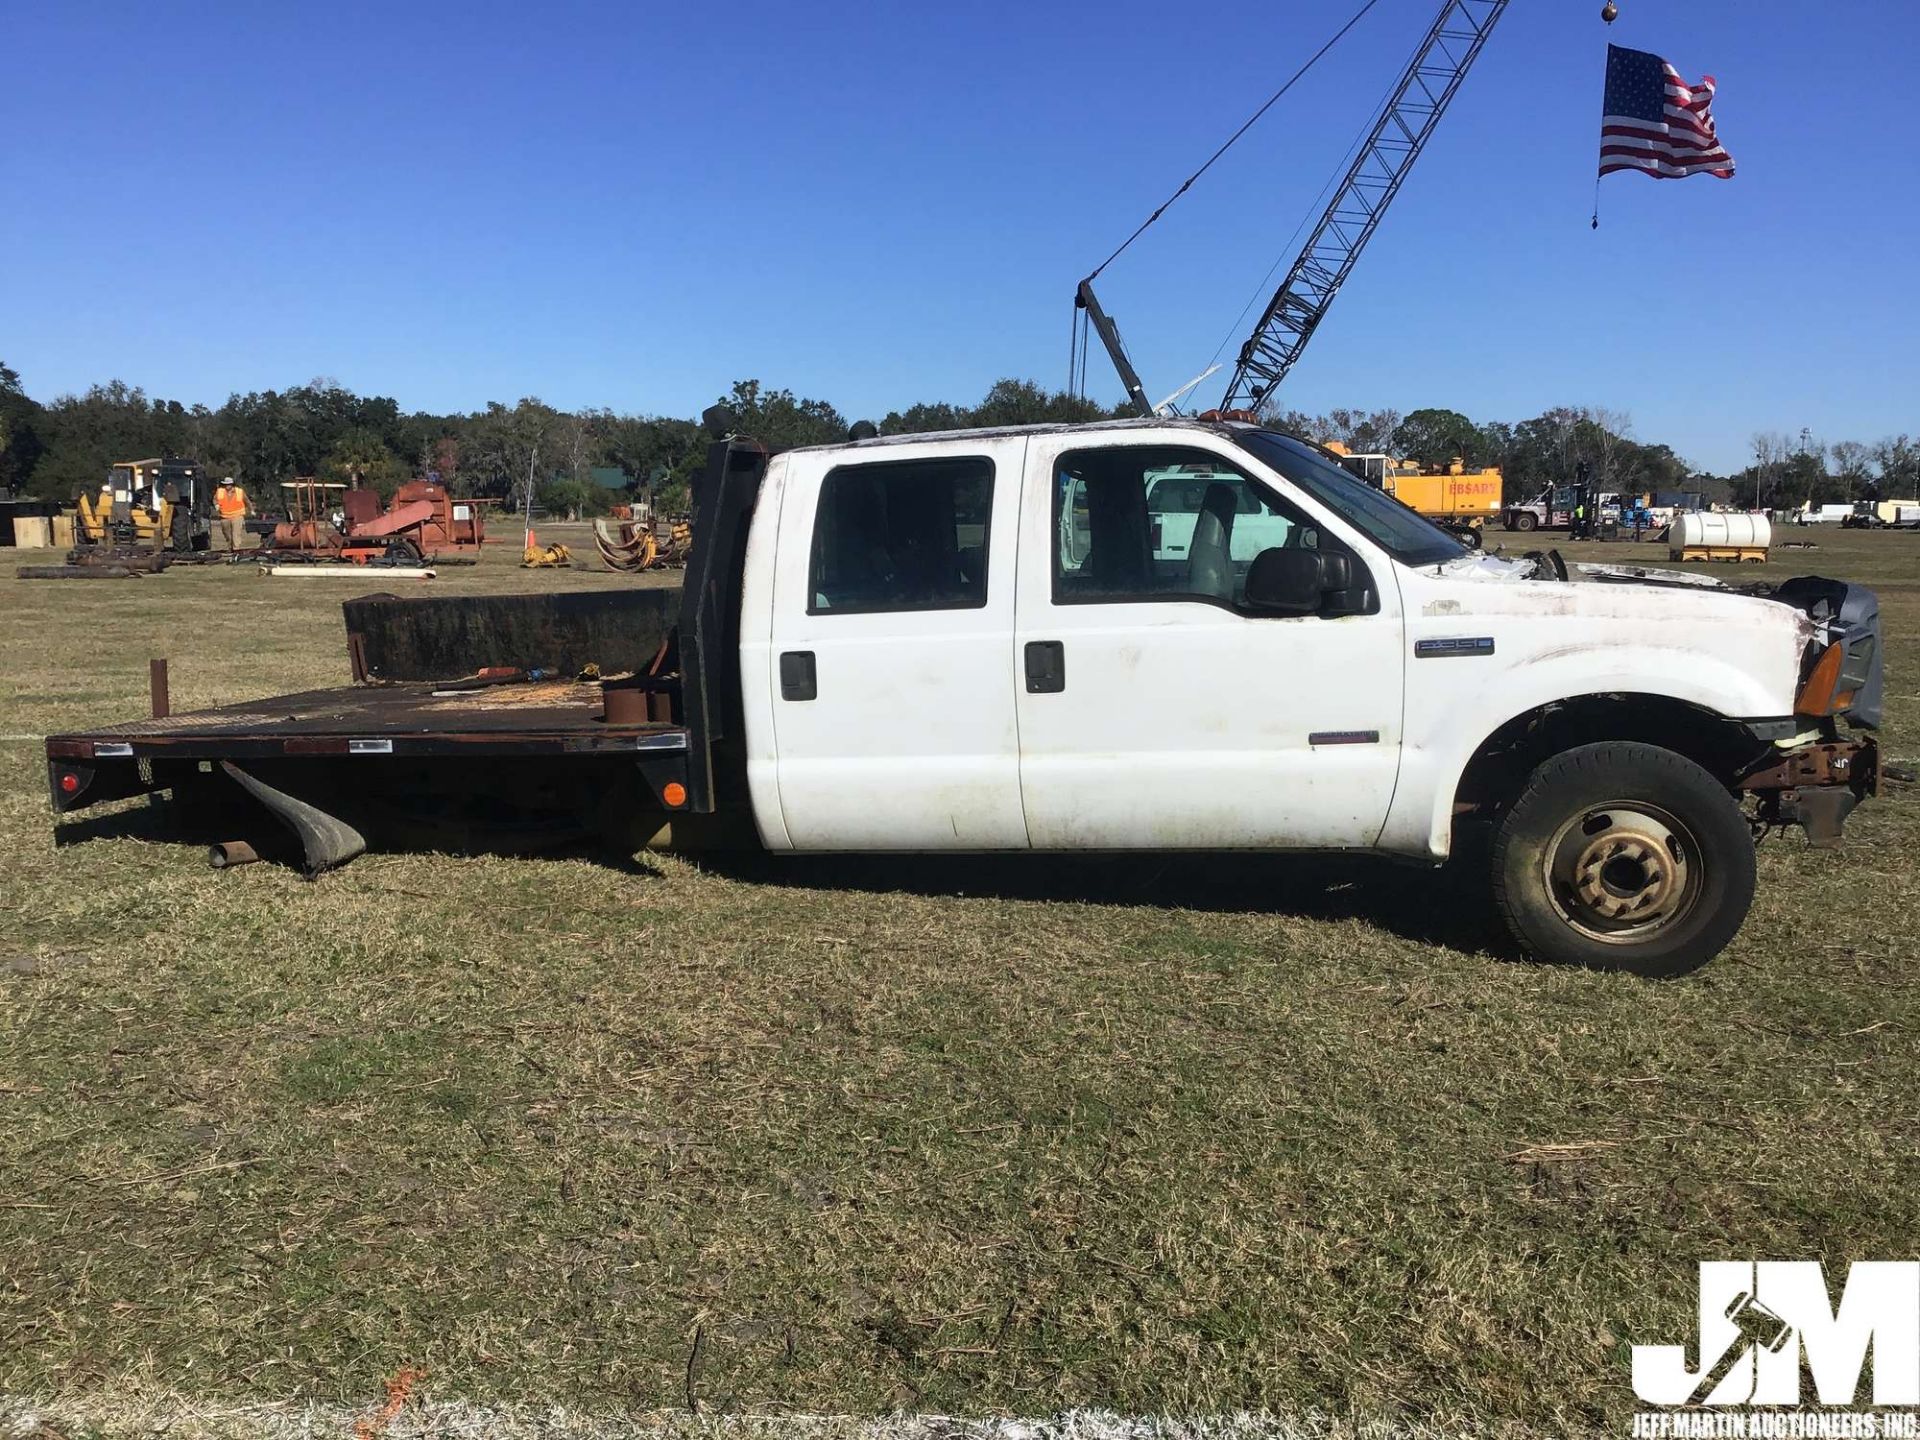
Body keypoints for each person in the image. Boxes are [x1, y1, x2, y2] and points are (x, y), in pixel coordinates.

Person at [214, 477, 251, 552]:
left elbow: (247, 501)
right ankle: (230, 547)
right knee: (227, 534)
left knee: (236, 534)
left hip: (237, 516)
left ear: (232, 484)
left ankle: (236, 549)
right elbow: (215, 499)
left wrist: (251, 510)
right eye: (225, 484)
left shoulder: (239, 492)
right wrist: (216, 504)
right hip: (224, 517)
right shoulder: (220, 491)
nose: (227, 486)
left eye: (228, 484)